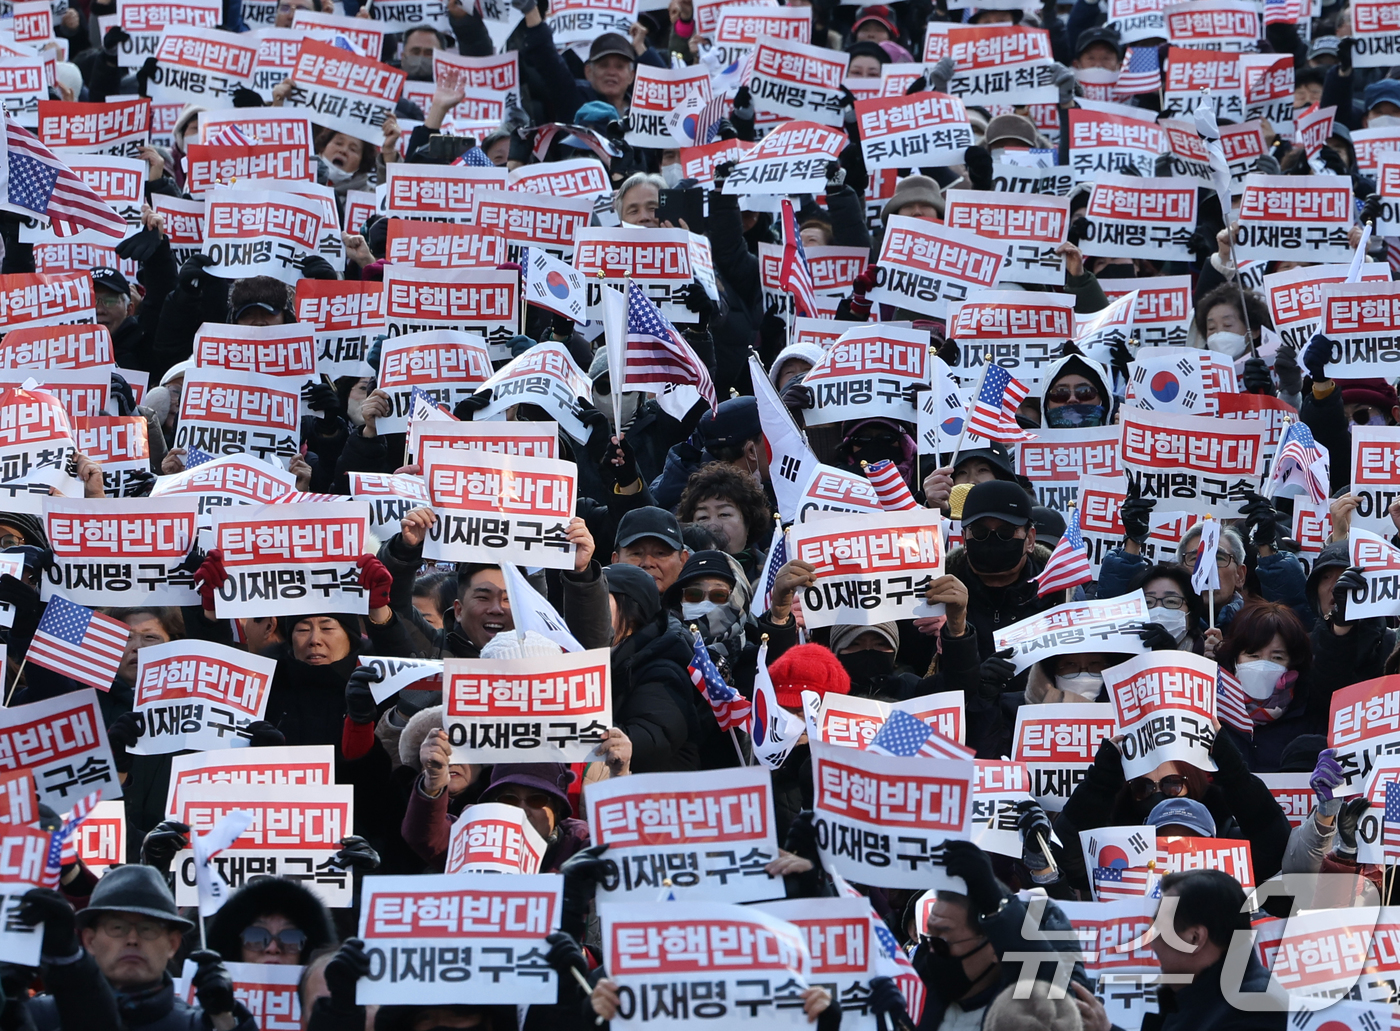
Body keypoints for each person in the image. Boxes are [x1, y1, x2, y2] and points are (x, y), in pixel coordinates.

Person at [20, 865, 258, 1030]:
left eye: (147, 928)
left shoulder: (200, 1026)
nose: (132, 939)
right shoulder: (38, 1017)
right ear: (89, 940)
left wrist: (226, 1019)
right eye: (117, 927)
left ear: (173, 944)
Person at [1146, 870, 1286, 1031]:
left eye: (1159, 930)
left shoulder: (1254, 1012)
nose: (1152, 943)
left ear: (1194, 939)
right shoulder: (1203, 992)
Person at [601, 561, 703, 772]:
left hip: (657, 797)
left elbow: (652, 738)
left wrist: (577, 729)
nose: (588, 611)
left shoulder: (663, 670)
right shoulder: (595, 657)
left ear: (633, 610)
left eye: (599, 600)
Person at [207, 876, 339, 967]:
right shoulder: (203, 1002)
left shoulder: (326, 1006)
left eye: (290, 938)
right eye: (256, 936)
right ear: (236, 945)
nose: (273, 948)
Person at [674, 462, 771, 579]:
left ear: (748, 521)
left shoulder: (769, 574)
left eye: (724, 514)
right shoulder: (678, 574)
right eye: (703, 517)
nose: (713, 526)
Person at [612, 507, 690, 592]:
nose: (648, 563)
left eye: (660, 553)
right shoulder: (599, 604)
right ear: (616, 561)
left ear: (683, 560)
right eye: (636, 554)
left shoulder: (701, 602)